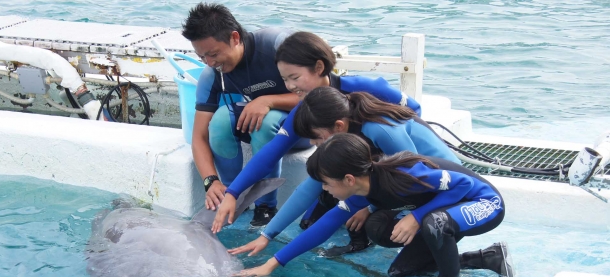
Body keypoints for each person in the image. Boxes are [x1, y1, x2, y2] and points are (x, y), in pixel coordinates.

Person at [235, 133, 514, 277]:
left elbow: (465, 186)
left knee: (434, 223)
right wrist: (272, 262)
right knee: (400, 270)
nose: (325, 190)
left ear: (348, 178)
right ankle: (488, 257)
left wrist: (416, 217)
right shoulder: (361, 192)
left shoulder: (406, 176)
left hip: (483, 203)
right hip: (448, 210)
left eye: (327, 183)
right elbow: (323, 227)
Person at [211, 31, 421, 232]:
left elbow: (414, 112)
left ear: (319, 67)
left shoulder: (364, 87)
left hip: (391, 171)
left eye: (295, 77)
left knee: (377, 227)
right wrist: (233, 192)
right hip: (348, 174)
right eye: (284, 79)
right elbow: (271, 153)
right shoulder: (304, 110)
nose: (290, 86)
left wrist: (370, 202)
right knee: (310, 224)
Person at [228, 85, 460, 259]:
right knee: (314, 217)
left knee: (377, 227)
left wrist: (369, 207)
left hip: (441, 188)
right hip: (396, 179)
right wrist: (267, 235)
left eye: (317, 137)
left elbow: (414, 179)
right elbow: (308, 187)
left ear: (339, 126)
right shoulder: (345, 135)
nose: (313, 143)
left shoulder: (381, 130)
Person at [182, 3, 299, 226]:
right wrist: (210, 181)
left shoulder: (277, 46)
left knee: (266, 121)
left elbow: (324, 93)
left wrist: (268, 100)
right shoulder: (212, 75)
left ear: (235, 38)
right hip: (261, 130)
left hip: (300, 127)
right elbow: (199, 137)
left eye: (214, 54)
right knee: (219, 121)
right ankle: (232, 194)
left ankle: (265, 206)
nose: (210, 63)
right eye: (202, 56)